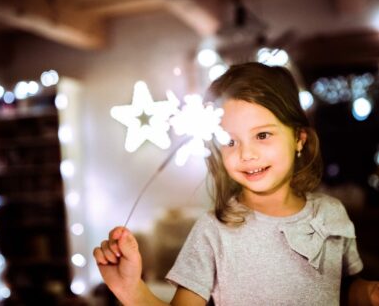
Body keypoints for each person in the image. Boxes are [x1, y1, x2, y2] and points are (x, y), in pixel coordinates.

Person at [93, 62, 379, 305]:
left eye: (263, 135)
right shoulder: (214, 231)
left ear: (298, 139)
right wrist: (130, 289)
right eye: (229, 141)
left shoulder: (332, 213)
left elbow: (341, 287)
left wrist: (368, 293)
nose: (246, 154)